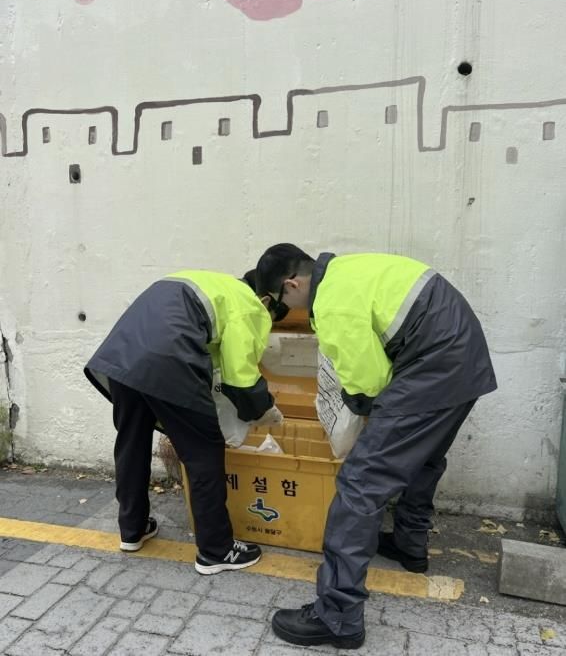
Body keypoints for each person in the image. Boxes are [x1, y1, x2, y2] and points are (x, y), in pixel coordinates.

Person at [255, 244, 497, 649]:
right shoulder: (348, 271)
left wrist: (361, 415)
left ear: (292, 284)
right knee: (423, 458)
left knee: (360, 484)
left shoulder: (331, 302)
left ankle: (338, 616)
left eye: (281, 301)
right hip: (464, 361)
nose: (287, 310)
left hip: (434, 366)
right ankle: (409, 544)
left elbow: (368, 380)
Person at [84, 268, 285, 575]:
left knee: (131, 442)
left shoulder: (211, 285)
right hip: (168, 362)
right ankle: (216, 550)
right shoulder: (248, 304)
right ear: (266, 299)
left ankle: (132, 529)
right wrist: (263, 409)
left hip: (123, 358)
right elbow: (240, 376)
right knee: (204, 451)